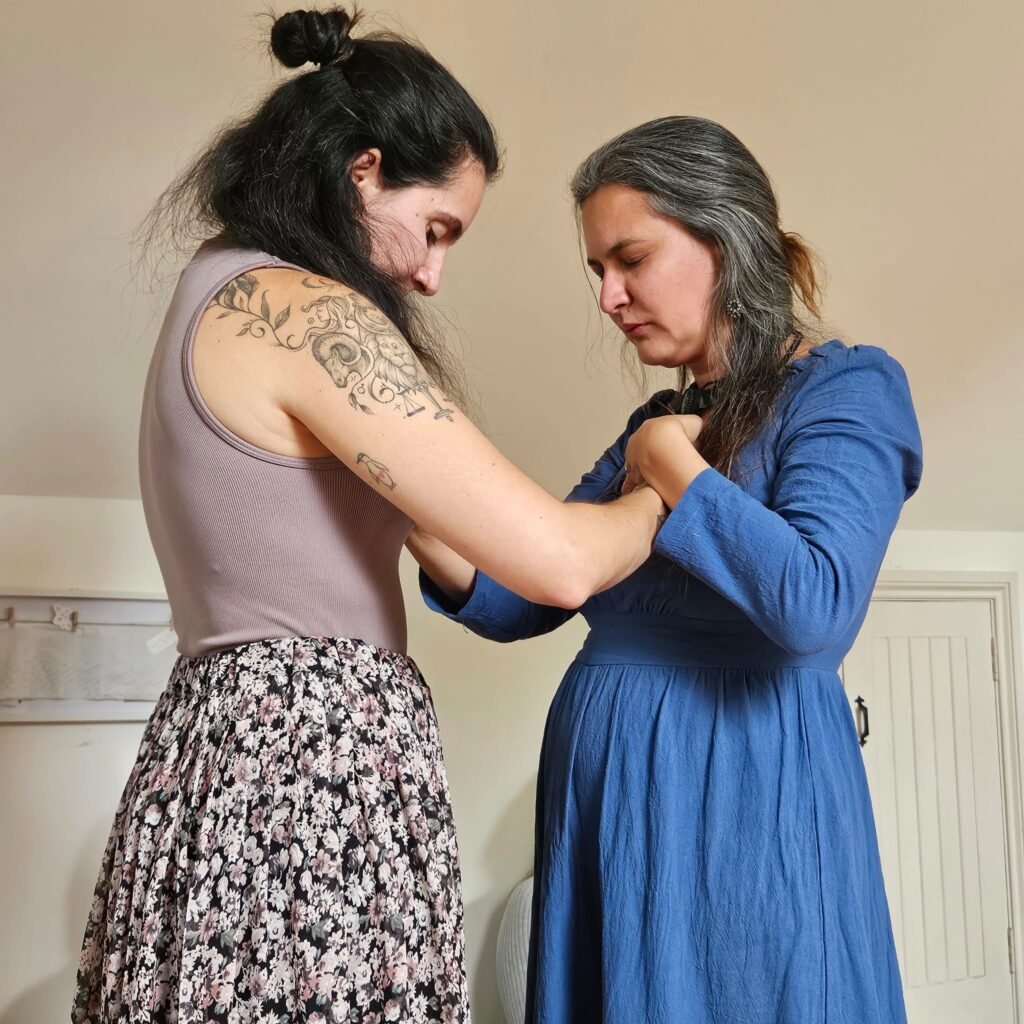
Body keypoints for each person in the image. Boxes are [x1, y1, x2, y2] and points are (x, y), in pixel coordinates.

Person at [72, 11, 667, 1023]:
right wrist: (663, 475)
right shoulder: (304, 315)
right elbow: (559, 561)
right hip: (307, 772)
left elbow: (470, 560)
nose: (432, 275)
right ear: (364, 172)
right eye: (435, 229)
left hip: (213, 752)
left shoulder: (212, 285)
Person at [413, 116, 923, 1023]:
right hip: (611, 807)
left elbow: (815, 604)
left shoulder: (847, 390)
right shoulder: (655, 423)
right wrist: (395, 493)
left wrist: (671, 467)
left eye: (631, 259)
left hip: (748, 797)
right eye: (597, 271)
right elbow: (527, 593)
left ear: (724, 240)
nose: (609, 297)